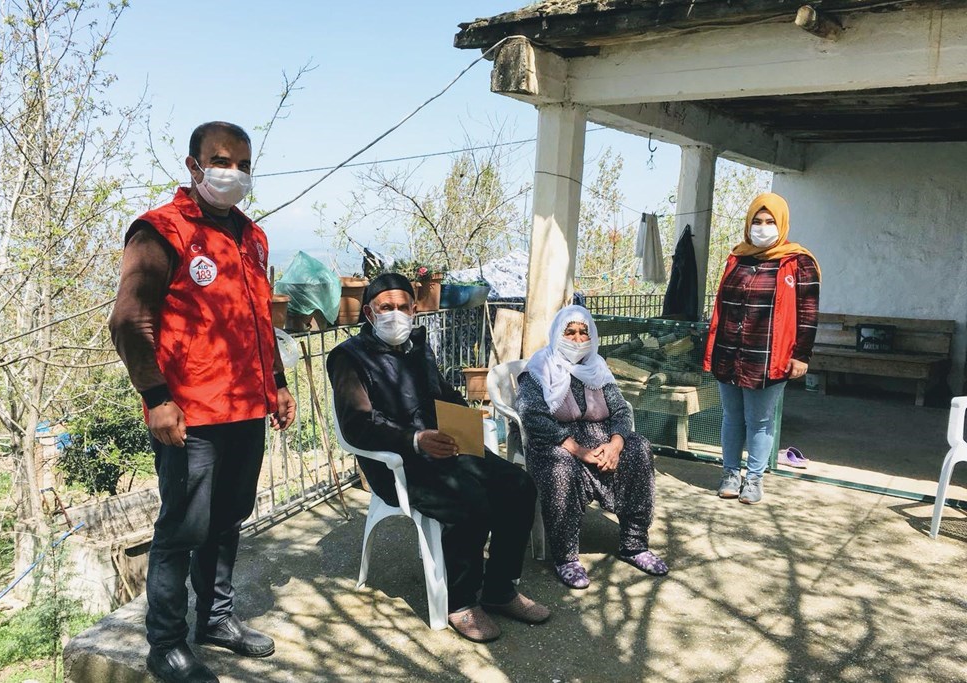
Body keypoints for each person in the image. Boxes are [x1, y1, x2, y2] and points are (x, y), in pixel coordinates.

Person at [109, 121, 296, 683]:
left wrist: (279, 384)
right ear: (193, 165)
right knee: (183, 528)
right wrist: (157, 398)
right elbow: (128, 320)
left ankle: (215, 619)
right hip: (189, 416)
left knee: (228, 518)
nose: (232, 172)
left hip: (246, 407)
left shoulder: (252, 238)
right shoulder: (161, 231)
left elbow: (257, 322)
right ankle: (165, 644)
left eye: (243, 164)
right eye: (221, 160)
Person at [327, 273, 549, 643]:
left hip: (445, 448)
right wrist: (414, 440)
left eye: (402, 307)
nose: (395, 315)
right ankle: (461, 602)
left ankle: (500, 589)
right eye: (386, 308)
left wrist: (463, 420)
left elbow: (440, 391)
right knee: (470, 499)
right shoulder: (348, 358)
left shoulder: (418, 346)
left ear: (414, 309)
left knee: (519, 484)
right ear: (369, 312)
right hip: (395, 463)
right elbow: (357, 427)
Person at [516, 305, 668, 590]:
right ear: (557, 334)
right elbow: (533, 417)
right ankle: (566, 557)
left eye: (583, 333)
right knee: (560, 467)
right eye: (569, 332)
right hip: (556, 441)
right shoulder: (540, 368)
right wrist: (579, 450)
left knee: (640, 448)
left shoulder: (597, 367)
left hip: (600, 438)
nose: (576, 339)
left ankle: (634, 544)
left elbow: (621, 411)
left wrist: (615, 445)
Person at [703, 192, 820, 505]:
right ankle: (730, 474)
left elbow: (808, 313)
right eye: (757, 221)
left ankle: (753, 479)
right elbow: (722, 307)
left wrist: (801, 355)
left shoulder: (799, 262)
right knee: (731, 416)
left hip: (769, 355)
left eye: (769, 221)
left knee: (760, 420)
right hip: (729, 350)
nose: (763, 227)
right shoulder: (736, 258)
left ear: (781, 224)